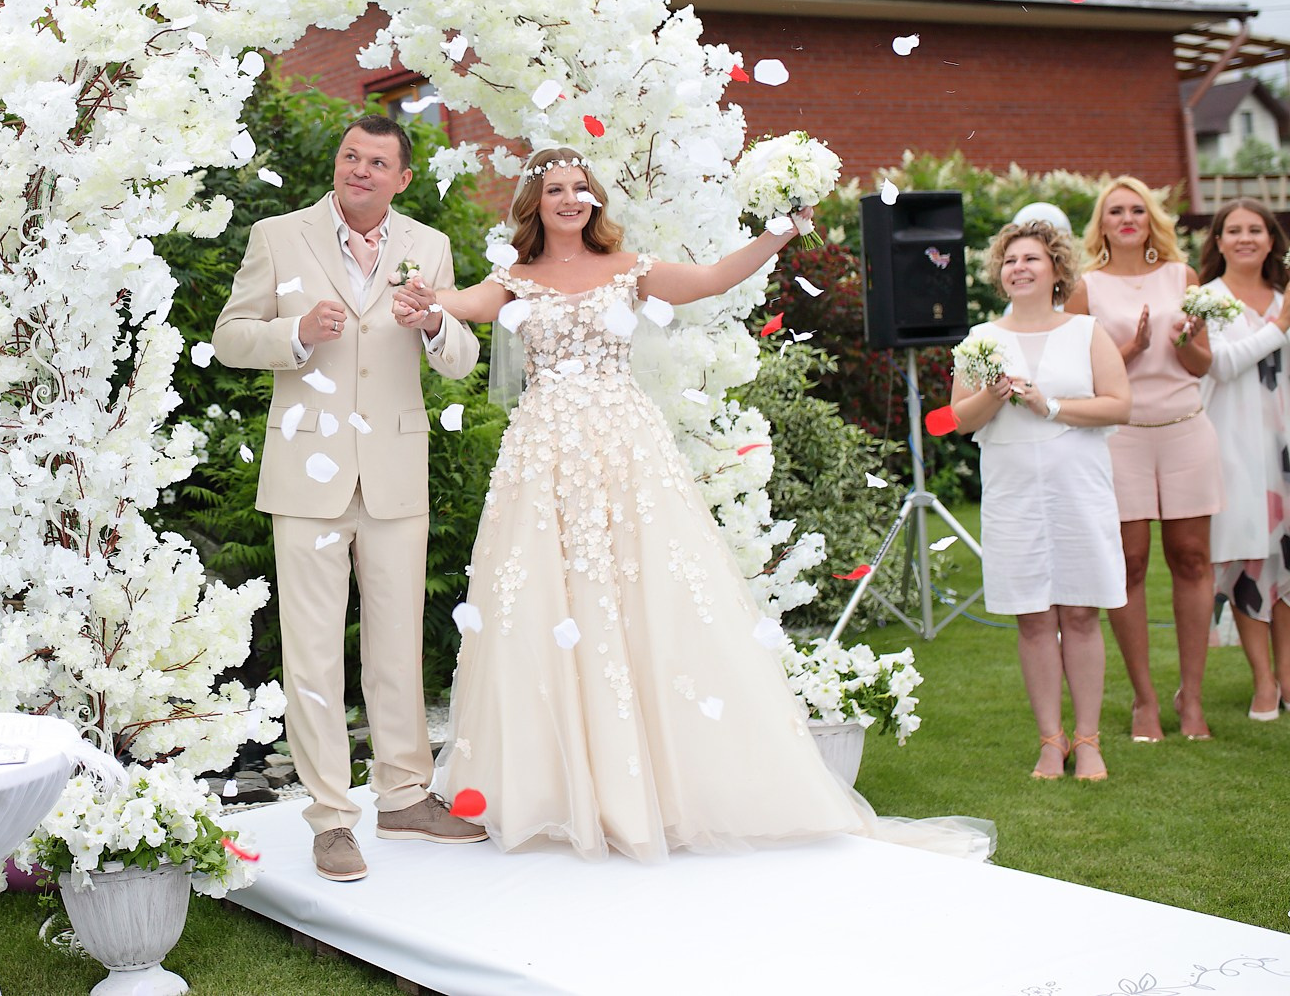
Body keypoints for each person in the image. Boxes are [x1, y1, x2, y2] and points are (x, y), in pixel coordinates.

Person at [398, 148, 970, 862]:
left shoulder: (630, 268)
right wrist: (426, 300)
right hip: (543, 459)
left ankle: (656, 788)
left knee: (648, 601)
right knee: (548, 603)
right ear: (535, 206)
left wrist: (780, 232)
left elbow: (709, 279)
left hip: (626, 453)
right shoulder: (515, 279)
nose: (570, 199)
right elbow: (467, 304)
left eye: (580, 188)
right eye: (555, 190)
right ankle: (556, 787)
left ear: (595, 200)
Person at [212, 115, 484, 883]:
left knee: (397, 645)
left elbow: (462, 359)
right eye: (349, 157)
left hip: (395, 473)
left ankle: (403, 797)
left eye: (376, 163)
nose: (358, 170)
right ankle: (332, 817)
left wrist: (434, 321)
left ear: (402, 178)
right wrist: (294, 333)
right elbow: (231, 336)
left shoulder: (427, 247)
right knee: (313, 655)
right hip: (306, 474)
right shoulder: (278, 234)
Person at [950, 221, 1130, 780]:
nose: (1020, 268)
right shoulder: (980, 339)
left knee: (1079, 611)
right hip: (1014, 494)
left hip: (1078, 490)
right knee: (1032, 616)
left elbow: (1119, 406)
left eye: (1032, 258)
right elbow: (959, 420)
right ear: (999, 274)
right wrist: (994, 393)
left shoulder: (1086, 332)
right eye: (1010, 261)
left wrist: (1049, 406)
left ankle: (1089, 740)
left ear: (1056, 269)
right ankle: (1051, 742)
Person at [1065, 177, 1221, 742]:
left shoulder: (1184, 278)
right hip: (1121, 437)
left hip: (1185, 429)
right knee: (1129, 563)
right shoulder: (1085, 289)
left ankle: (1194, 698)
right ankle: (1145, 700)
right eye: (1116, 211)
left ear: (1151, 218)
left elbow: (1204, 366)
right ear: (1101, 225)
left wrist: (1186, 344)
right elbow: (1078, 381)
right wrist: (1128, 349)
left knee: (1192, 558)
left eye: (1137, 209)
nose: (1127, 218)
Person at [1197, 199, 1290, 721]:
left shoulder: (1282, 295)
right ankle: (1263, 680)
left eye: (1256, 229)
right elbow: (1222, 366)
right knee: (1248, 559)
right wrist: (1280, 325)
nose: (1246, 238)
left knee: (1288, 559)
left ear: (1272, 240)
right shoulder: (1208, 302)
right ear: (1219, 241)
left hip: (1285, 447)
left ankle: (1288, 675)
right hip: (1233, 447)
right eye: (1234, 230)